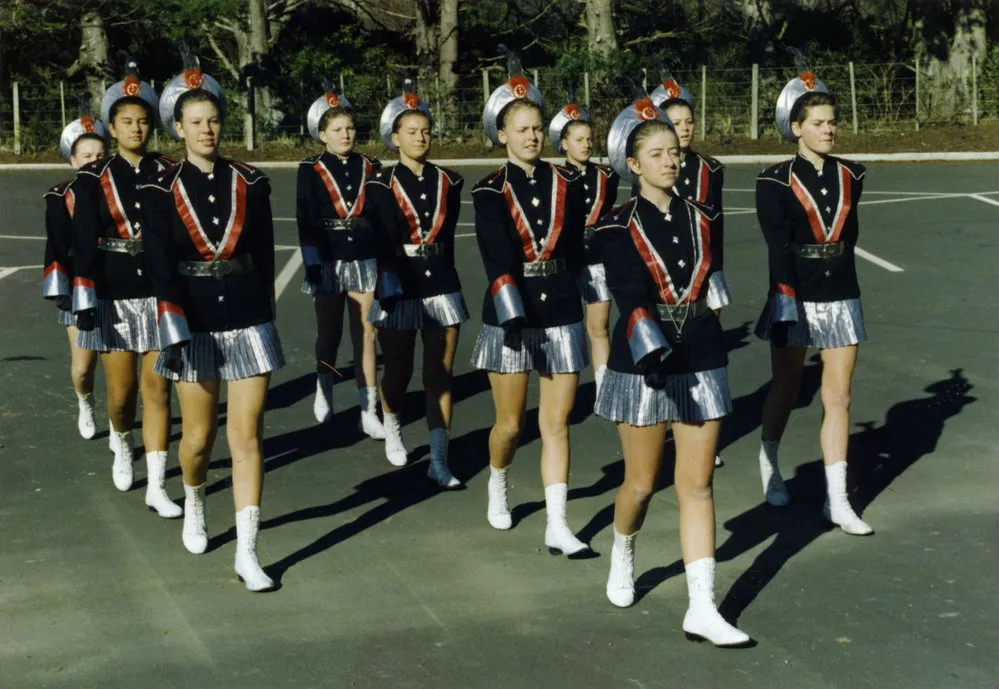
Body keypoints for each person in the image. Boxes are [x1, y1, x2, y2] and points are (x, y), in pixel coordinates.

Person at [591, 91, 749, 646]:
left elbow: (711, 287)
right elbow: (630, 295)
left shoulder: (705, 215)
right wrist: (656, 353)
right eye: (656, 154)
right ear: (633, 165)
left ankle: (702, 607)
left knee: (698, 485)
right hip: (644, 360)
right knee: (640, 484)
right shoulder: (614, 225)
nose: (669, 161)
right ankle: (624, 548)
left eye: (673, 152)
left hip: (701, 354)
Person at [142, 66, 284, 592]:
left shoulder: (251, 181)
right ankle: (196, 498)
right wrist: (172, 322)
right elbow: (159, 264)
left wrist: (264, 312)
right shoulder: (159, 188)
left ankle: (248, 552)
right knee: (199, 439)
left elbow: (264, 255)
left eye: (214, 121)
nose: (207, 130)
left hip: (246, 318)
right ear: (178, 128)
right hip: (192, 320)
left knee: (246, 436)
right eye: (196, 122)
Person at [470, 48, 589, 557]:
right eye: (522, 129)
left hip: (560, 309)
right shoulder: (489, 191)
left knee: (556, 423)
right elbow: (497, 258)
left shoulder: (569, 183)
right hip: (512, 313)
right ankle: (498, 479)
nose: (532, 137)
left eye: (538, 128)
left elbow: (577, 248)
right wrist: (513, 314)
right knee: (511, 425)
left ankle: (557, 523)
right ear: (502, 135)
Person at [753, 63, 872, 536]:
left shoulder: (852, 174)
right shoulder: (773, 181)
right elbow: (777, 248)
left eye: (832, 122)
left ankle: (836, 500)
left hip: (841, 291)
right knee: (786, 387)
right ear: (796, 128)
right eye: (818, 123)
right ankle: (769, 459)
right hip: (795, 293)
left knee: (838, 396)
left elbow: (849, 236)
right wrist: (784, 299)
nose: (828, 130)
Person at [71, 60, 179, 517]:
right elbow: (82, 245)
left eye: (143, 121)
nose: (136, 128)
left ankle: (157, 483)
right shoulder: (92, 178)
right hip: (113, 294)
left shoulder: (170, 171)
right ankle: (120, 438)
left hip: (159, 290)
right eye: (127, 121)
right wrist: (83, 299)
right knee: (121, 394)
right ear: (112, 129)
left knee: (158, 390)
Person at [365, 78, 466, 487]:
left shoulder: (450, 181)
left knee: (440, 373)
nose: (421, 138)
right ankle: (392, 425)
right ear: (395, 139)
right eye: (411, 132)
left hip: (441, 283)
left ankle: (439, 459)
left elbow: (448, 236)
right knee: (399, 369)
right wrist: (386, 286)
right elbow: (383, 237)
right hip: (400, 284)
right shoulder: (379, 183)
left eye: (425, 131)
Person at [652, 70, 731, 468]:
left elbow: (718, 226)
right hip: (664, 279)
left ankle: (701, 432)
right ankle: (668, 423)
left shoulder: (710, 169)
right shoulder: (652, 168)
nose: (684, 128)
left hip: (705, 273)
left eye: (689, 122)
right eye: (676, 122)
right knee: (668, 347)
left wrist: (717, 273)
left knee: (703, 347)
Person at [297, 83, 385, 440]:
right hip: (329, 259)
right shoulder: (311, 168)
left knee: (366, 334)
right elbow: (305, 217)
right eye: (337, 129)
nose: (345, 134)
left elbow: (381, 215)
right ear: (322, 135)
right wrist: (312, 262)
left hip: (364, 257)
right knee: (329, 333)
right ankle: (325, 384)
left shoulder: (371, 165)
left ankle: (368, 410)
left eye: (349, 128)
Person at [43, 112, 108, 439]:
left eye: (101, 155)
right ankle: (85, 401)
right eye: (87, 156)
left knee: (122, 370)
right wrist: (60, 289)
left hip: (117, 285)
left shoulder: (122, 193)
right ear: (73, 161)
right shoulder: (60, 197)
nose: (95, 162)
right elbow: (55, 246)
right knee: (83, 367)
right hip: (79, 286)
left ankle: (120, 427)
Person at [548, 93, 618, 394]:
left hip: (597, 261)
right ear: (564, 144)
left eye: (589, 139)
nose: (586, 144)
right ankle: (563, 388)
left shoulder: (607, 176)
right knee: (565, 328)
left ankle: (605, 387)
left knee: (599, 327)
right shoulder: (552, 176)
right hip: (565, 262)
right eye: (579, 140)